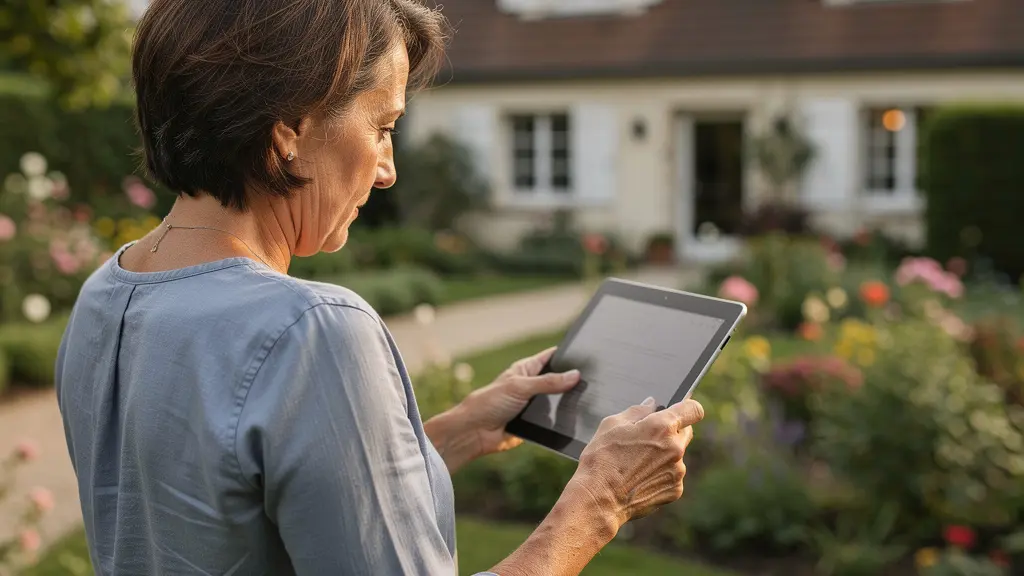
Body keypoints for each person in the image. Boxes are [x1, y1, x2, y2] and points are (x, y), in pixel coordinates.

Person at [55, 1, 705, 574]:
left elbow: (232, 510)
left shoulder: (106, 297)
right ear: (290, 131)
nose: (388, 169)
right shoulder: (313, 331)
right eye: (384, 126)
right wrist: (600, 500)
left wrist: (453, 432)